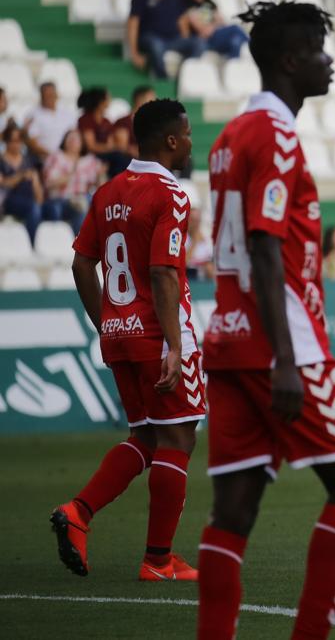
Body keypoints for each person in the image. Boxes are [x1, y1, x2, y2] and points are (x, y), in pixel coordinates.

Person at [197, 0, 335, 640]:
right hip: (286, 344)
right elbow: (266, 245)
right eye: (319, 52)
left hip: (227, 338)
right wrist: (283, 358)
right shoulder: (273, 134)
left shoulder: (229, 135)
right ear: (290, 60)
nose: (329, 63)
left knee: (234, 511)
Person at [52, 98, 204, 582]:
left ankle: (78, 512)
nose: (192, 141)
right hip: (158, 336)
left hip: (119, 337)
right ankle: (159, 560)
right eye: (188, 133)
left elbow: (81, 262)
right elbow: (163, 271)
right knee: (178, 438)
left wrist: (108, 323)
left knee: (146, 437)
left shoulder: (108, 192)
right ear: (172, 141)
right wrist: (175, 346)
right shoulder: (171, 194)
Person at [128, 0, 204, 79]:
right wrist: (134, 53)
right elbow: (133, 24)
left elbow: (182, 19)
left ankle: (184, 75)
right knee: (156, 45)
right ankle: (163, 80)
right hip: (150, 37)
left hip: (173, 39)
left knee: (198, 43)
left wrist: (185, 37)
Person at [41, 129, 105, 232]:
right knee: (80, 206)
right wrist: (70, 175)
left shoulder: (90, 160)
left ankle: (83, 243)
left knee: (88, 204)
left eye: (76, 139)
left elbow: (100, 186)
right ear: (64, 141)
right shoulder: (56, 157)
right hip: (61, 199)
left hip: (83, 199)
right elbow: (48, 183)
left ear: (82, 143)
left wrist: (100, 175)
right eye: (70, 139)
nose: (72, 142)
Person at [181, 0, 250, 59]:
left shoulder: (209, 1)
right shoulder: (185, 0)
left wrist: (211, 27)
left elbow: (222, 21)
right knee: (235, 28)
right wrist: (213, 25)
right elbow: (201, 29)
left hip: (215, 36)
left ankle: (233, 67)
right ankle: (256, 45)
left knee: (235, 41)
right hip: (201, 40)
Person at [1, 122, 44, 241]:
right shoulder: (1, 160)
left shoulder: (28, 161)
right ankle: (31, 242)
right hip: (8, 201)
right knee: (33, 209)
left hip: (29, 201)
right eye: (13, 140)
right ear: (6, 141)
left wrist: (35, 182)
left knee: (47, 209)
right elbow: (3, 183)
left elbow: (38, 194)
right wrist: (21, 176)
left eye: (19, 140)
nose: (17, 143)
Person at [77, 87, 131, 177]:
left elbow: (112, 140)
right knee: (119, 158)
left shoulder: (106, 121)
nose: (110, 101)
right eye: (108, 98)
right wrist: (113, 147)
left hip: (107, 155)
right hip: (92, 157)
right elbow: (91, 146)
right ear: (100, 102)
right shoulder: (86, 119)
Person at [23, 81, 78, 162]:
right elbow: (32, 142)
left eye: (51, 95)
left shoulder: (67, 113)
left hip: (67, 160)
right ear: (41, 96)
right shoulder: (33, 115)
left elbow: (75, 135)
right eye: (46, 95)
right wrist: (53, 155)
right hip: (43, 160)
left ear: (56, 95)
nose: (49, 98)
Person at [115, 85, 156, 160]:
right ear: (140, 100)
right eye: (151, 99)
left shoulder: (154, 124)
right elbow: (122, 147)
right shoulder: (123, 122)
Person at [187, 208, 215, 281]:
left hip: (205, 278)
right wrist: (195, 242)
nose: (195, 224)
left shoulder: (206, 239)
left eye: (198, 221)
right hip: (189, 276)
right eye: (192, 220)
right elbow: (184, 262)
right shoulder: (181, 238)